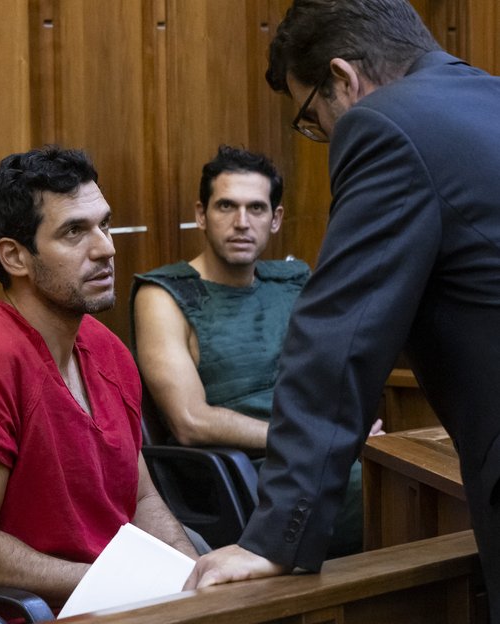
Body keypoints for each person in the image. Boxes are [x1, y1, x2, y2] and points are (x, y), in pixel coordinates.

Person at [184, 1, 500, 619]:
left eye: (312, 117)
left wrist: (276, 537)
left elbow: (340, 339)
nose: (322, 133)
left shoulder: (385, 123)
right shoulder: (487, 95)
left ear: (344, 78)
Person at [0, 146, 197, 607]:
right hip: (40, 610)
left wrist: (189, 580)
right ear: (15, 257)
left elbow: (140, 498)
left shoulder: (107, 347)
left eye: (104, 224)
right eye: (74, 232)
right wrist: (120, 584)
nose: (106, 247)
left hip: (123, 598)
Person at [132, 145, 372, 557]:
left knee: (418, 482)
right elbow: (191, 421)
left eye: (256, 209)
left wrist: (348, 429)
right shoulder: (165, 293)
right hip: (247, 472)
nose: (242, 222)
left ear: (275, 219)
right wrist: (315, 440)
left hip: (321, 452)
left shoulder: (293, 281)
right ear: (201, 214)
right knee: (397, 497)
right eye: (226, 206)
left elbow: (336, 370)